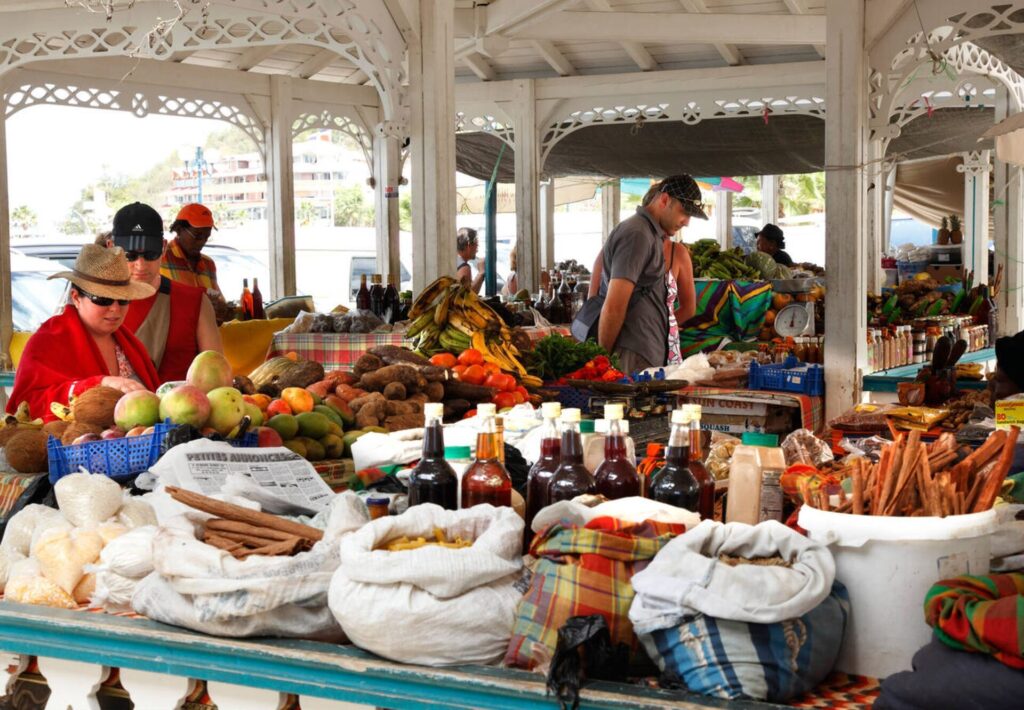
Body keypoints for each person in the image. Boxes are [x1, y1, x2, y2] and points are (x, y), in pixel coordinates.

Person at [8, 244, 160, 421]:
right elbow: (25, 405)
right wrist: (98, 384)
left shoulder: (128, 341)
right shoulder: (47, 341)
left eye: (123, 300)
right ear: (76, 298)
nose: (115, 309)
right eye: (103, 299)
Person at [595, 175, 707, 373]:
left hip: (645, 352)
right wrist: (603, 359)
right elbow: (613, 306)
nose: (687, 222)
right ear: (664, 200)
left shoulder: (650, 233)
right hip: (632, 352)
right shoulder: (637, 234)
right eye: (684, 212)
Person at [108, 202, 223, 383]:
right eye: (129, 256)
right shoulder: (96, 303)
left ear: (163, 248)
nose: (140, 264)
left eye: (150, 254)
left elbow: (218, 377)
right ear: (110, 249)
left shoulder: (195, 302)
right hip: (114, 408)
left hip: (185, 409)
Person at [162, 203, 222, 298]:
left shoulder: (208, 264)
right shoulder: (160, 259)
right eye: (197, 236)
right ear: (179, 230)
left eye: (207, 237)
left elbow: (219, 299)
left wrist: (219, 306)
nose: (202, 242)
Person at [456, 227, 485, 294]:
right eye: (476, 246)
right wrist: (481, 272)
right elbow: (468, 296)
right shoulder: (464, 267)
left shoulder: (454, 260)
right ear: (469, 246)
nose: (477, 250)